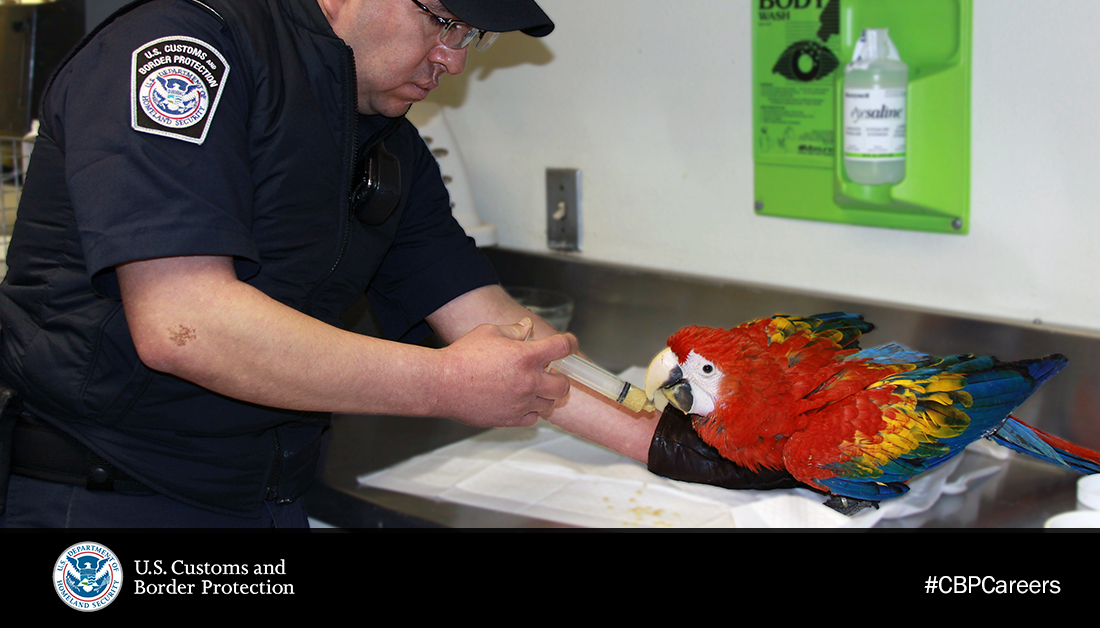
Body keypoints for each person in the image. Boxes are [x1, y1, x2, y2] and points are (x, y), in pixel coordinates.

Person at [0, 0, 800, 528]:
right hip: (104, 499)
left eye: (469, 36)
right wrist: (445, 385)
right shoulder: (186, 52)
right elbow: (184, 326)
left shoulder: (389, 147)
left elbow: (498, 329)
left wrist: (687, 449)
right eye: (446, 22)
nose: (454, 59)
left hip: (262, 500)